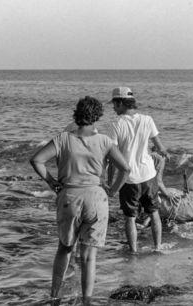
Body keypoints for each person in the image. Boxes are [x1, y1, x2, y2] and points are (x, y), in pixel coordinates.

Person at [30, 96, 130, 304]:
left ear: (77, 114)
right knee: (88, 256)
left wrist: (51, 182)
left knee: (64, 248)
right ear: (97, 116)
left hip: (69, 196)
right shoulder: (104, 141)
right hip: (96, 198)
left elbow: (37, 160)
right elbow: (125, 168)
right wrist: (113, 190)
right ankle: (87, 301)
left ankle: (55, 295)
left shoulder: (63, 138)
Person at [106, 87, 169, 253]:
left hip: (129, 178)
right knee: (154, 213)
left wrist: (110, 182)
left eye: (114, 104)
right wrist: (164, 156)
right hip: (148, 175)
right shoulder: (147, 120)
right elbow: (160, 147)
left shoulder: (115, 124)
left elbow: (112, 156)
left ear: (120, 103)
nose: (113, 108)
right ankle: (158, 247)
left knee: (130, 218)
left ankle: (133, 250)